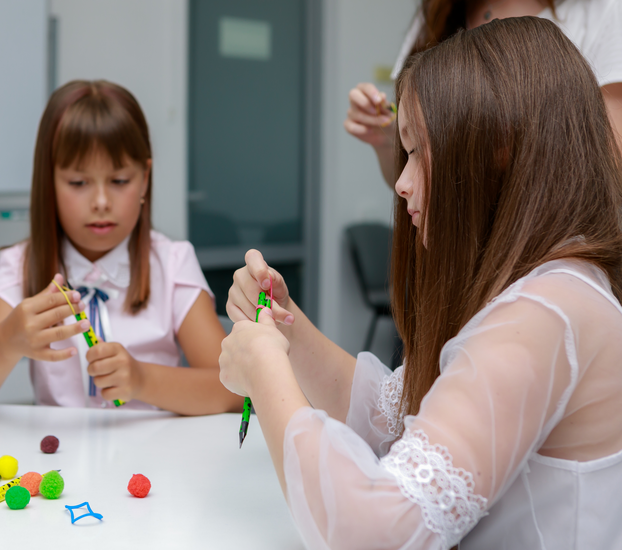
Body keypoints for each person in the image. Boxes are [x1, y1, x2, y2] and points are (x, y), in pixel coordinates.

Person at [219, 18, 622, 549]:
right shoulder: (551, 287)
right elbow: (395, 413)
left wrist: (265, 370)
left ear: (497, 150)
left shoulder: (543, 313)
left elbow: (374, 532)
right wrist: (286, 330)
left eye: (416, 151)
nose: (402, 184)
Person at [0, 80, 241, 415]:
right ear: (49, 182)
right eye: (78, 182)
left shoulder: (172, 262)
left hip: (154, 448)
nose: (101, 202)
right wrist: (6, 341)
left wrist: (143, 380)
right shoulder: (22, 265)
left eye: (119, 181)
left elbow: (234, 391)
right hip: (61, 449)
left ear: (145, 178)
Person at [345, 0, 622, 187]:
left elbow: (607, 167)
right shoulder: (437, 14)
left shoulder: (604, 11)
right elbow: (413, 180)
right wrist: (390, 141)